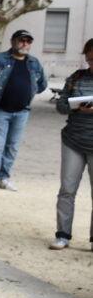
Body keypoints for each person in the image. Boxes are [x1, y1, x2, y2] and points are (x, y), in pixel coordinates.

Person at [0, 29, 47, 192]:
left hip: (22, 112)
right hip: (0, 110)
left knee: (12, 146)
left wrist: (29, 92)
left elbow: (42, 84)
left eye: (28, 41)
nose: (24, 44)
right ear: (13, 41)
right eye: (21, 40)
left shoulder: (34, 62)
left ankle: (4, 177)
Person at [50, 38, 93, 251]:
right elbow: (60, 105)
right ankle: (63, 234)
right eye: (90, 59)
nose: (92, 64)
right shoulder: (76, 78)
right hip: (73, 140)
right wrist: (76, 106)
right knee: (67, 190)